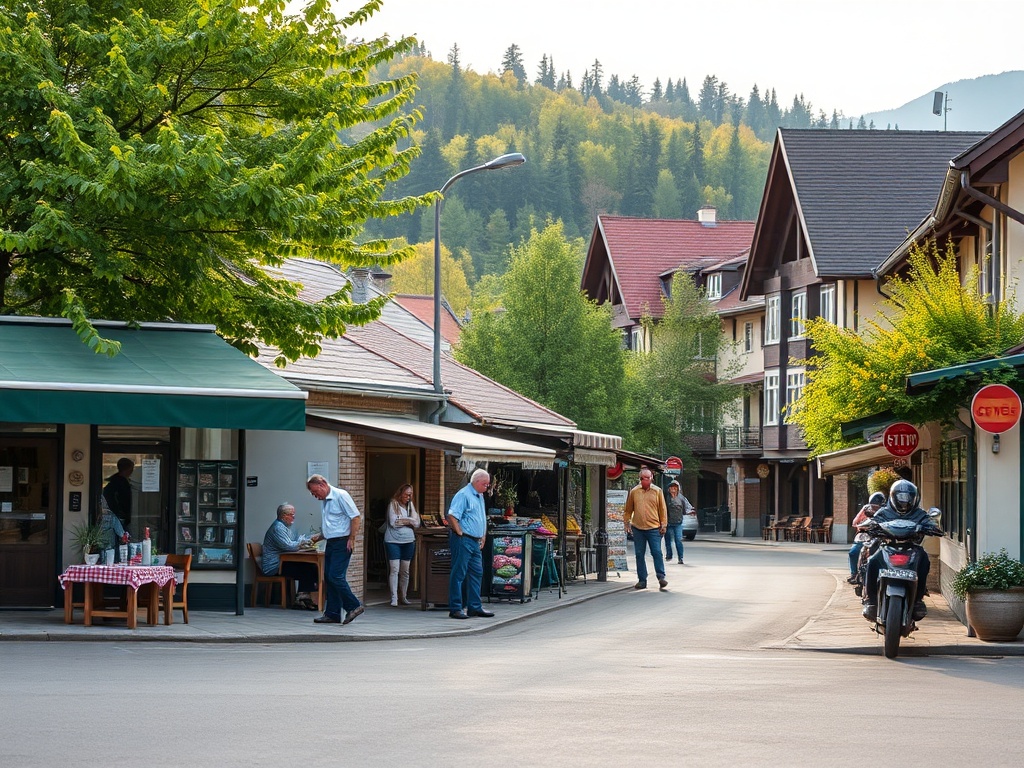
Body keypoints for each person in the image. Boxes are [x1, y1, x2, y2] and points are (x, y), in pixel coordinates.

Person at [861, 479, 939, 622]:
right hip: (888, 546)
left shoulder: (919, 513)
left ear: (914, 498)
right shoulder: (884, 512)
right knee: (872, 562)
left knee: (925, 561)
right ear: (893, 497)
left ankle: (918, 601)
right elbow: (874, 521)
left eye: (908, 498)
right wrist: (870, 525)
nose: (904, 502)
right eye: (900, 498)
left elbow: (930, 522)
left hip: (912, 548)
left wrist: (932, 526)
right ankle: (871, 601)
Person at [306, 474, 364, 625]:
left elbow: (356, 517)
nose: (315, 496)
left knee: (335, 576)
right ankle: (332, 613)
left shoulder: (340, 495)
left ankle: (354, 606)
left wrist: (351, 538)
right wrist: (318, 537)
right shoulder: (325, 501)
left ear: (322, 484)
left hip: (342, 542)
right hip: (332, 541)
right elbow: (333, 525)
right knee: (328, 577)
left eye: (315, 492)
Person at [446, 468, 495, 620]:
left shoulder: (479, 495)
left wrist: (483, 535)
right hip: (464, 539)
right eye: (486, 485)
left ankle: (474, 606)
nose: (487, 488)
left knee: (477, 572)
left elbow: (481, 516)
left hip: (475, 540)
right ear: (477, 482)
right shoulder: (463, 495)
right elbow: (452, 515)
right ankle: (456, 607)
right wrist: (460, 532)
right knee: (459, 572)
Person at [262, 503, 319, 610]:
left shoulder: (284, 527)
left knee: (310, 567)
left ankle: (304, 597)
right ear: (284, 516)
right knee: (307, 568)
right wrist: (302, 542)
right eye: (292, 515)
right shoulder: (278, 528)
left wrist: (303, 542)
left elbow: (292, 543)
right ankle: (302, 598)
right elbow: (289, 546)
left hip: (280, 562)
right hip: (274, 565)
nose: (294, 517)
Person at [624, 467, 669, 591]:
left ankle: (661, 577)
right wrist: (627, 523)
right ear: (640, 479)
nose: (647, 480)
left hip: (654, 528)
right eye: (645, 478)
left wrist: (663, 525)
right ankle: (642, 580)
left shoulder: (657, 491)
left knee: (656, 552)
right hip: (638, 528)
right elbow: (628, 509)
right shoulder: (634, 492)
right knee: (639, 554)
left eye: (649, 478)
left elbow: (662, 509)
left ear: (652, 478)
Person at [384, 483, 421, 607]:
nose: (408, 497)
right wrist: (409, 520)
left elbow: (417, 523)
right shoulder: (393, 504)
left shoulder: (411, 505)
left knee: (405, 570)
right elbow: (394, 522)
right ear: (400, 494)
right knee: (394, 569)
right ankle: (394, 597)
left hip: (408, 541)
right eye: (406, 494)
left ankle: (403, 596)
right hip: (393, 541)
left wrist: (407, 521)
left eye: (410, 495)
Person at [847, 491, 885, 583]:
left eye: (877, 506)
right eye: (872, 506)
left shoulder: (886, 511)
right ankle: (854, 574)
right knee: (853, 552)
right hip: (865, 534)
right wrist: (862, 524)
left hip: (880, 536)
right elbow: (855, 522)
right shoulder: (866, 509)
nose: (874, 508)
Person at [664, 480, 693, 565]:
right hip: (668, 523)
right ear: (669, 489)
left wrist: (690, 512)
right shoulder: (666, 498)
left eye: (675, 487)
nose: (673, 489)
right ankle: (669, 555)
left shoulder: (681, 498)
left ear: (677, 489)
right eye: (671, 487)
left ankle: (680, 557)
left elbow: (687, 508)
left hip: (678, 523)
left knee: (678, 540)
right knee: (668, 540)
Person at [102, 458, 134, 529]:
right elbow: (123, 500)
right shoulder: (121, 483)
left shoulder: (114, 482)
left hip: (118, 515)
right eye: (131, 469)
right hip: (119, 516)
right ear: (128, 469)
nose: (132, 471)